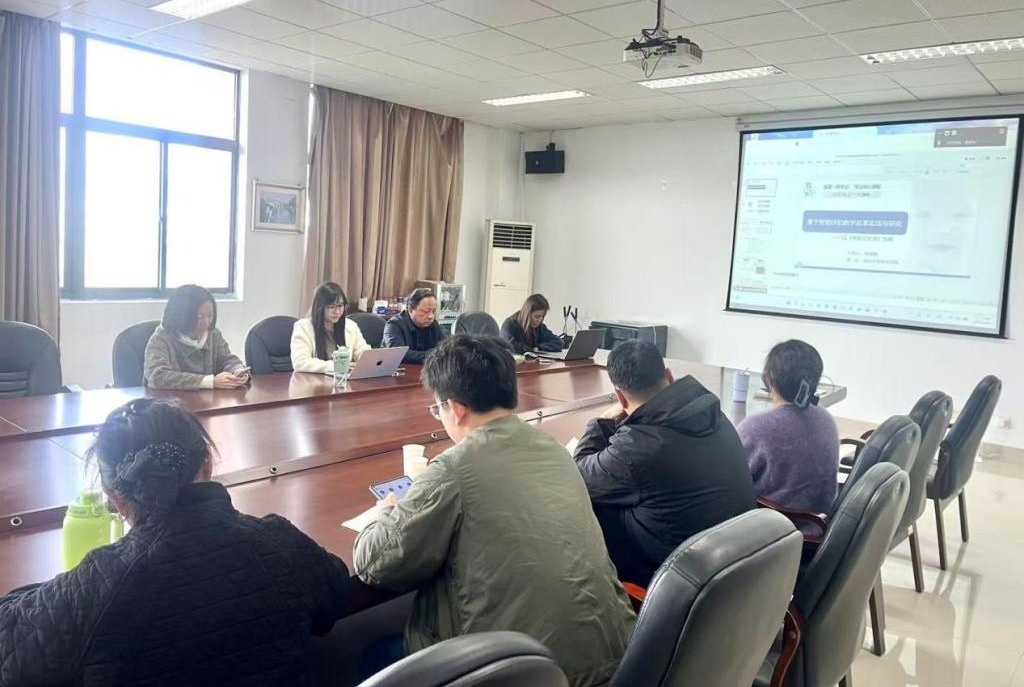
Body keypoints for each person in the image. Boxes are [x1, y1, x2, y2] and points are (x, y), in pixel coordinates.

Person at [0, 399, 351, 686]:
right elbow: (334, 594)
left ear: (113, 495)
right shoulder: (279, 542)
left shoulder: (95, 587)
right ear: (207, 464)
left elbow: (10, 650)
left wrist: (60, 588)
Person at [354, 335, 635, 687]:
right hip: (613, 660)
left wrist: (384, 513)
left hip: (521, 674)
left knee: (375, 657)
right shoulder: (553, 449)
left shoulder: (454, 469)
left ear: (455, 408)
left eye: (437, 409)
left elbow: (376, 563)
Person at [573, 341, 756, 587]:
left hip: (679, 577)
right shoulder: (712, 412)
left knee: (588, 506)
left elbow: (578, 474)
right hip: (734, 559)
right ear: (669, 376)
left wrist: (599, 422)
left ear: (619, 396)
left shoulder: (639, 445)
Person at [737, 339, 839, 514]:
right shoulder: (825, 417)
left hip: (774, 525)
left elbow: (730, 482)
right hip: (820, 521)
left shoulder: (757, 427)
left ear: (769, 379)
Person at [144, 284, 249, 390]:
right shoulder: (161, 339)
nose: (206, 322)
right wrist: (209, 381)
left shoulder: (213, 334)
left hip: (209, 399)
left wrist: (237, 371)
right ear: (181, 316)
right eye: (199, 317)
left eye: (210, 316)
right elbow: (157, 376)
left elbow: (227, 359)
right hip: (169, 399)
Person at [292, 282, 371, 374]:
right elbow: (300, 362)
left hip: (342, 380)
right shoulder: (303, 327)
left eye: (340, 306)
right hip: (313, 380)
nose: (337, 311)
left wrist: (369, 360)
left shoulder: (351, 326)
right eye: (331, 307)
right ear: (320, 307)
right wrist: (336, 366)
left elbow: (363, 352)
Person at [382, 287, 446, 364]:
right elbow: (398, 354)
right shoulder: (394, 325)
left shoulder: (433, 324)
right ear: (411, 310)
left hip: (426, 368)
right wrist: (433, 355)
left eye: (433, 311)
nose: (431, 316)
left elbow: (445, 348)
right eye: (426, 312)